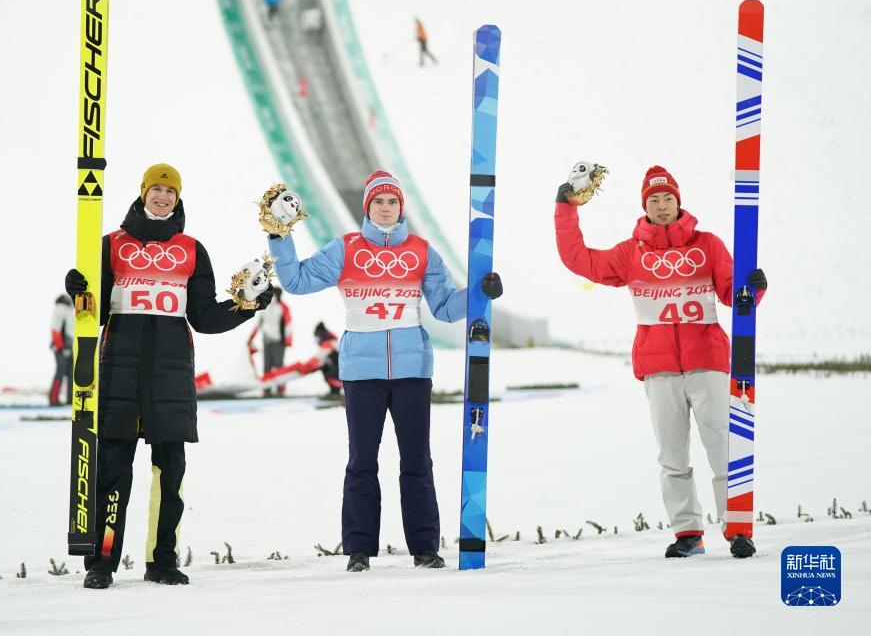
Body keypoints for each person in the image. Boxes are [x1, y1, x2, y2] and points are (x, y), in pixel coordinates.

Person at [263, 170, 503, 572]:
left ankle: (425, 548)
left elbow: (444, 307)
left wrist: (481, 293)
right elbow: (297, 280)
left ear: (401, 207)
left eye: (392, 202)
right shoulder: (346, 249)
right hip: (361, 371)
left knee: (416, 459)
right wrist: (279, 234)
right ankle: (359, 550)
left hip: (412, 368)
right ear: (367, 207)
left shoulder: (422, 251)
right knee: (361, 460)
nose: (386, 208)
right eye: (379, 202)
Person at [65, 163, 272, 589]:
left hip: (171, 376)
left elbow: (203, 317)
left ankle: (162, 560)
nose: (163, 197)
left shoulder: (192, 249)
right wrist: (78, 291)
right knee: (113, 473)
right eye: (156, 189)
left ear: (178, 198)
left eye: (170, 192)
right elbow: (95, 311)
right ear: (143, 193)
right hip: (120, 372)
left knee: (169, 475)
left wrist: (246, 305)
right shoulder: (110, 245)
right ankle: (102, 562)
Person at [554, 165, 767, 560]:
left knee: (722, 446)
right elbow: (579, 259)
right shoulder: (629, 253)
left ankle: (738, 528)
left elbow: (732, 296)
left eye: (668, 198)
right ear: (644, 206)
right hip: (659, 368)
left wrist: (753, 291)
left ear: (679, 200)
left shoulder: (709, 245)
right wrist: (566, 208)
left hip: (708, 362)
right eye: (654, 200)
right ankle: (688, 533)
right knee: (672, 456)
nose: (663, 206)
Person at [250, 287, 293, 397]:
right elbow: (259, 323)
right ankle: (266, 389)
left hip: (278, 340)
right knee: (267, 365)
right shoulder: (264, 307)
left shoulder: (283, 307)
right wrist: (251, 337)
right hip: (266, 340)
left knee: (279, 366)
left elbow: (288, 324)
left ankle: (280, 389)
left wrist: (288, 340)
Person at [48, 294, 75, 406]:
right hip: (62, 347)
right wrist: (61, 346)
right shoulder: (61, 309)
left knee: (70, 373)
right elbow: (55, 329)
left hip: (67, 346)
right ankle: (53, 399)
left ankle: (70, 399)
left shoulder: (67, 310)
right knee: (60, 372)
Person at [314, 321, 343, 396]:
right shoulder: (332, 342)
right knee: (324, 367)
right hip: (340, 369)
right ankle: (335, 390)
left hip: (343, 370)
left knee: (328, 374)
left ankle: (342, 387)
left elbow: (317, 360)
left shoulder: (328, 343)